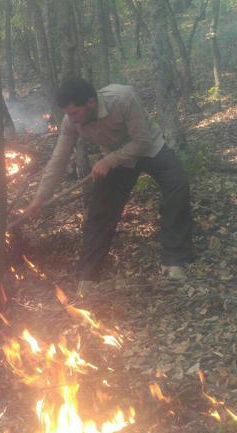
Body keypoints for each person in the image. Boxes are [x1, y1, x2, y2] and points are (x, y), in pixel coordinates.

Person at [26, 79, 194, 290]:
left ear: (90, 103)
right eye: (67, 114)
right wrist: (40, 198)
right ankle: (88, 275)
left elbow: (141, 141)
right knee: (100, 211)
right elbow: (58, 159)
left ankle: (175, 260)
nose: (71, 119)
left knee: (177, 189)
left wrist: (109, 160)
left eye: (74, 113)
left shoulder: (123, 98)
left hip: (150, 149)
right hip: (115, 158)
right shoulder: (72, 122)